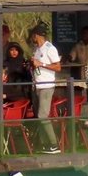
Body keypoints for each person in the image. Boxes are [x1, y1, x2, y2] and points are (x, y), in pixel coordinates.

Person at [29, 24, 63, 152]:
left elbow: (58, 67)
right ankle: (46, 144)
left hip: (47, 86)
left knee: (43, 115)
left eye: (33, 35)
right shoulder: (37, 49)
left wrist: (41, 64)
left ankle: (54, 144)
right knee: (39, 116)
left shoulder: (50, 48)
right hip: (37, 85)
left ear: (36, 35)